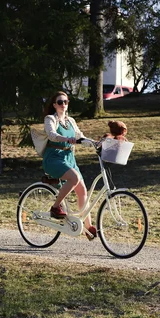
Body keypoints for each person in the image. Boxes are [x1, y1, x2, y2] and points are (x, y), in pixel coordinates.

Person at [42, 91, 97, 240]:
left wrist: (94, 143)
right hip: (53, 158)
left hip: (69, 158)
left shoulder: (71, 121)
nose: (63, 105)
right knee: (74, 178)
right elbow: (52, 135)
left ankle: (88, 227)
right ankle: (55, 207)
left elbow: (80, 136)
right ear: (54, 105)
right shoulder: (50, 119)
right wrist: (67, 138)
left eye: (66, 102)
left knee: (82, 191)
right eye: (60, 102)